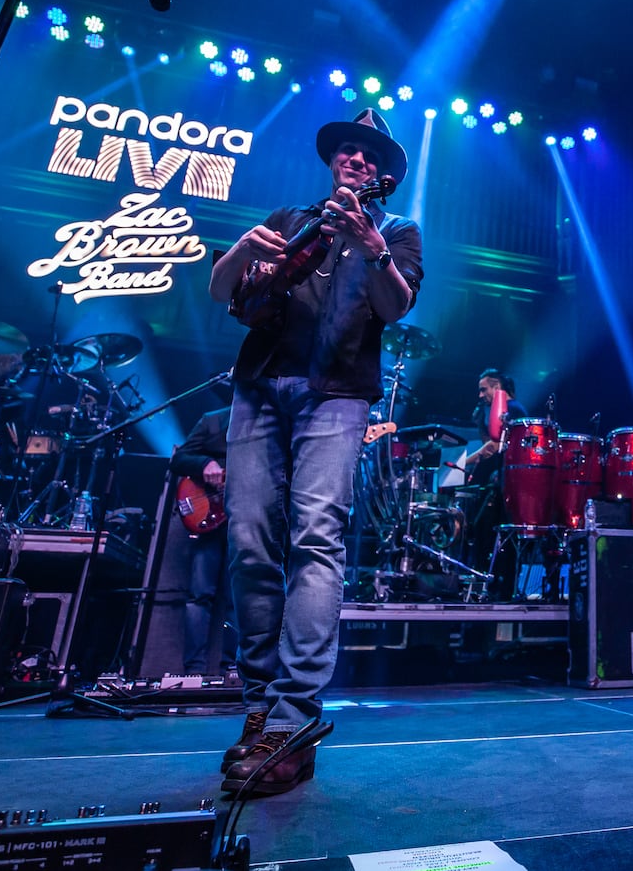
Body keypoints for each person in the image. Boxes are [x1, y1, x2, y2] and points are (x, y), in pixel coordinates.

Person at [206, 108, 423, 797]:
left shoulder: (394, 229)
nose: (354, 159)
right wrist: (242, 252)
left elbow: (396, 306)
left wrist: (370, 245)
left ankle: (294, 719)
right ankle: (260, 707)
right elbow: (226, 296)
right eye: (346, 150)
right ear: (334, 162)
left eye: (367, 154)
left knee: (317, 537)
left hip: (337, 393)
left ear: (382, 173)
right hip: (261, 384)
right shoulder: (290, 218)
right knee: (247, 541)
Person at [169, 406, 236, 677]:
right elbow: (179, 459)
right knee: (199, 595)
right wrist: (204, 464)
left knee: (240, 598)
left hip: (247, 519)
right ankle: (193, 672)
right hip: (209, 515)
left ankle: (233, 670)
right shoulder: (214, 419)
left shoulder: (272, 420)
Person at [461, 368, 528, 485]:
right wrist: (480, 424)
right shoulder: (506, 408)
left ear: (496, 387)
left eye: (483, 390)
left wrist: (462, 463)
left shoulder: (511, 409)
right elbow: (492, 443)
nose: (480, 395)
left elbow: (493, 447)